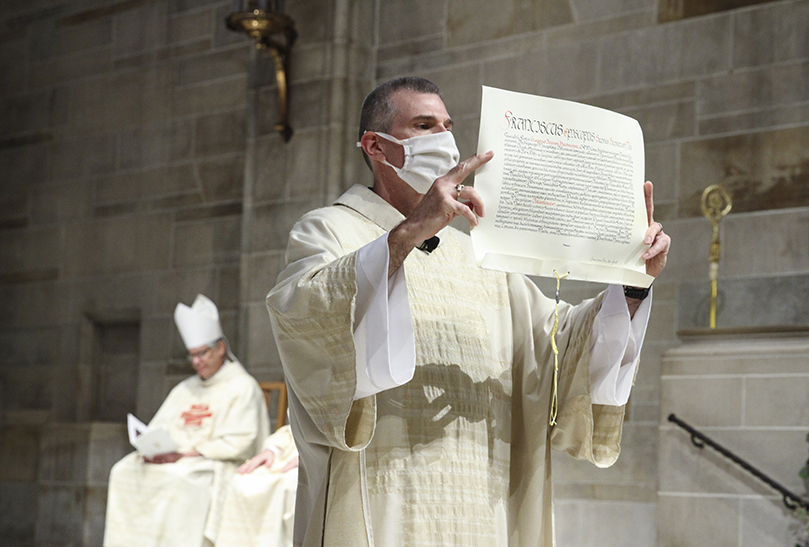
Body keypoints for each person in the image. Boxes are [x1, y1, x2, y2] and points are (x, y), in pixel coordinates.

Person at [266, 76, 671, 547]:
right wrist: (410, 231)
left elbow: (554, 347)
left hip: (482, 499)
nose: (445, 140)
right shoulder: (328, 228)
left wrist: (631, 280)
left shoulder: (477, 252)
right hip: (388, 496)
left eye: (448, 125)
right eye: (424, 125)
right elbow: (305, 315)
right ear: (376, 146)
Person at [103, 294, 269, 547]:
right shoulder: (185, 388)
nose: (196, 362)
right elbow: (159, 426)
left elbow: (240, 443)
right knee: (123, 471)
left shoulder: (243, 387)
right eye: (192, 355)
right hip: (173, 458)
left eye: (202, 354)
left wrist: (184, 455)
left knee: (179, 480)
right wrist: (155, 449)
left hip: (212, 464)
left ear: (220, 348)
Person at [217, 424, 300, 547]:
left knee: (292, 484)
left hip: (328, 456)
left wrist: (314, 454)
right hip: (292, 451)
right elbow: (295, 425)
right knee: (242, 481)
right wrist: (272, 449)